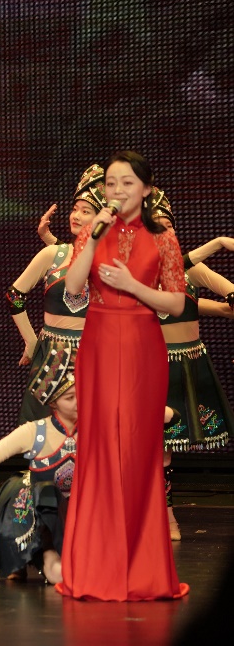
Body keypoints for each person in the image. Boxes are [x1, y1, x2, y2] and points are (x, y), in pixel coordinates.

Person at [55, 151, 188, 601]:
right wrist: (94, 236)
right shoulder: (93, 231)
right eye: (111, 183)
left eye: (127, 183)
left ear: (146, 189)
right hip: (97, 343)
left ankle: (142, 571)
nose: (117, 191)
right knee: (98, 449)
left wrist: (133, 286)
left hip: (142, 346)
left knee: (135, 448)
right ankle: (95, 568)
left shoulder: (163, 236)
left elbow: (176, 303)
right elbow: (73, 289)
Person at [150, 189, 234, 540]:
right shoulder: (140, 270)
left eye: (168, 225)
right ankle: (165, 516)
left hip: (189, 363)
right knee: (159, 449)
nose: (163, 231)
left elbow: (204, 298)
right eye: (155, 226)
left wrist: (225, 307)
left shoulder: (192, 270)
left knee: (169, 446)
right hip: (154, 365)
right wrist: (217, 242)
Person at [0, 361, 77, 585]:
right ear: (53, 402)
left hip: (76, 513)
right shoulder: (35, 432)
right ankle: (26, 556)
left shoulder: (94, 429)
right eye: (70, 398)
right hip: (39, 515)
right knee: (61, 575)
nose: (79, 402)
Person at [10, 165, 105, 424]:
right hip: (52, 357)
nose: (76, 216)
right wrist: (31, 342)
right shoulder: (53, 254)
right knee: (42, 432)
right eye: (75, 209)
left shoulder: (112, 261)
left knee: (94, 432)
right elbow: (14, 295)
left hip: (96, 357)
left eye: (86, 211)